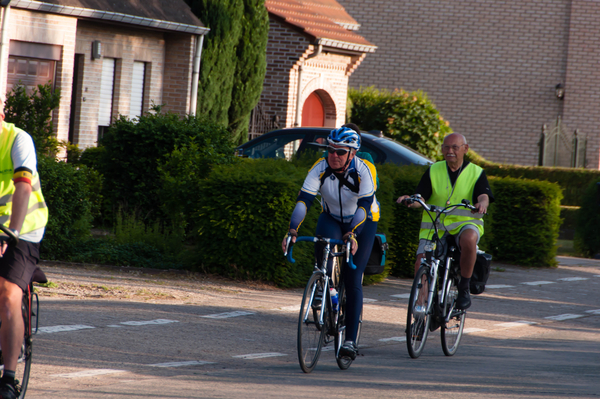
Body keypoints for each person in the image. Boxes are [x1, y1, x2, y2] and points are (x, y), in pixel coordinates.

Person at [281, 123, 378, 360]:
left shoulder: (365, 170)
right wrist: (292, 230)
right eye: (330, 150)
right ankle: (323, 284)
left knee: (353, 278)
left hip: (362, 222)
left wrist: (352, 233)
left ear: (352, 153)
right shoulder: (320, 167)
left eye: (340, 152)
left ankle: (351, 342)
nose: (333, 156)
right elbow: (304, 201)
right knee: (323, 241)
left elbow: (364, 207)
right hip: (332, 217)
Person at [396, 133, 493, 310]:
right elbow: (421, 197)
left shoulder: (476, 172)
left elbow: (484, 195)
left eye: (455, 147)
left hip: (464, 225)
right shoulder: (434, 170)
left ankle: (464, 287)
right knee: (421, 262)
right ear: (441, 149)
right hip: (435, 227)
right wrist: (410, 200)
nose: (450, 151)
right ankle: (421, 307)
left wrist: (482, 204)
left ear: (465, 149)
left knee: (469, 239)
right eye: (446, 147)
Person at [0, 99, 48, 399]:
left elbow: (23, 186)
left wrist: (11, 234)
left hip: (22, 229)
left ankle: (8, 377)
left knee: (6, 293)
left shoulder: (18, 139)